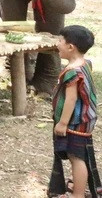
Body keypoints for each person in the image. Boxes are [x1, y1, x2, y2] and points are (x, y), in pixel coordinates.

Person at [48, 25, 100, 198]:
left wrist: (63, 123)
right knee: (78, 155)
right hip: (85, 119)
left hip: (75, 122)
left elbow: (71, 99)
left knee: (76, 158)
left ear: (71, 47)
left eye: (60, 41)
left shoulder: (72, 72)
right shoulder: (85, 64)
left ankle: (77, 195)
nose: (57, 44)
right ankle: (77, 185)